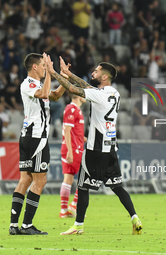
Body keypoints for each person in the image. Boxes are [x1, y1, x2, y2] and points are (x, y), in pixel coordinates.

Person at [50, 57, 143, 235]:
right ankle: (135, 218)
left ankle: (78, 225)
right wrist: (69, 74)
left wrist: (54, 73)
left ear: (105, 77)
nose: (94, 72)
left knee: (83, 187)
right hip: (111, 149)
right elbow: (87, 87)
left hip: (96, 149)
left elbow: (72, 89)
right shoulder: (114, 93)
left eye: (97, 71)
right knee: (117, 187)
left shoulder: (99, 95)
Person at [9, 53, 65, 235]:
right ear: (34, 66)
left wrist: (63, 77)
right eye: (42, 65)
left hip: (28, 136)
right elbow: (43, 93)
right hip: (37, 138)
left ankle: (14, 225)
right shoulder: (29, 84)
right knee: (40, 180)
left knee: (26, 179)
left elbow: (54, 96)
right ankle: (26, 225)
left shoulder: (38, 85)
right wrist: (50, 72)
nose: (44, 68)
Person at [60, 93, 86, 218]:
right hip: (73, 148)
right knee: (84, 177)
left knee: (69, 178)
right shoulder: (72, 108)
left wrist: (86, 139)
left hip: (76, 147)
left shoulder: (76, 110)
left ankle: (64, 211)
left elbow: (76, 132)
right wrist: (70, 151)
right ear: (78, 95)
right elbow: (67, 130)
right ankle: (74, 205)